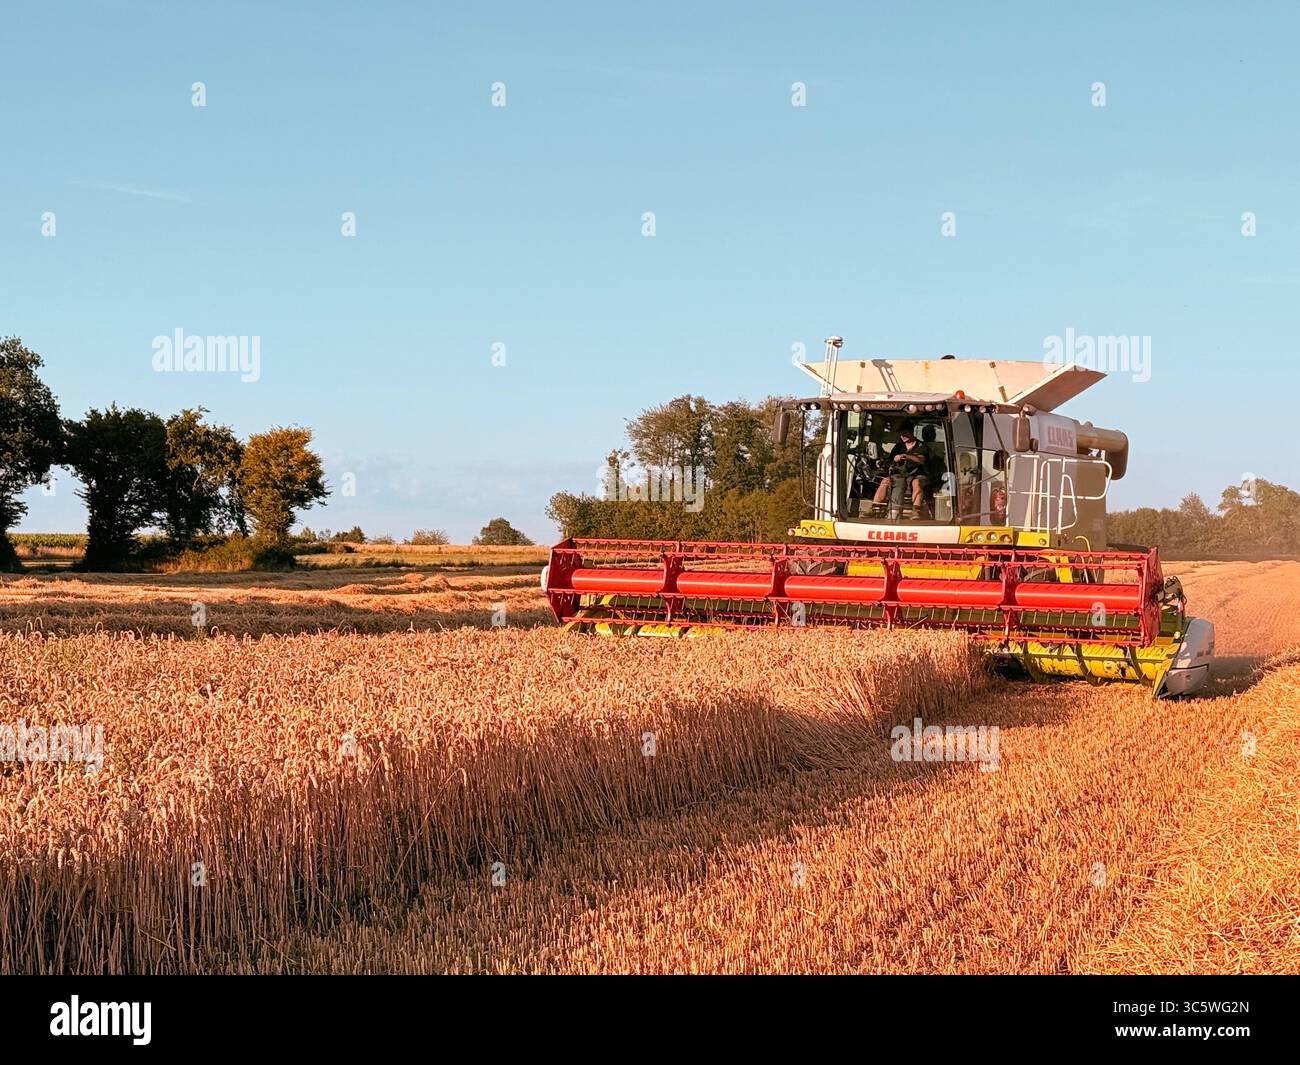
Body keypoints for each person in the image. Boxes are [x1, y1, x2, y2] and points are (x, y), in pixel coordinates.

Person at [872, 427, 932, 517]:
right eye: (901, 434)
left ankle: (917, 511)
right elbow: (890, 461)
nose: (903, 436)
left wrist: (906, 456)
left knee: (916, 482)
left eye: (905, 433)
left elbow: (921, 459)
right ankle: (875, 508)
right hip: (900, 475)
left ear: (911, 432)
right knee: (885, 480)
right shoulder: (898, 446)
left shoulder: (921, 446)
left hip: (918, 474)